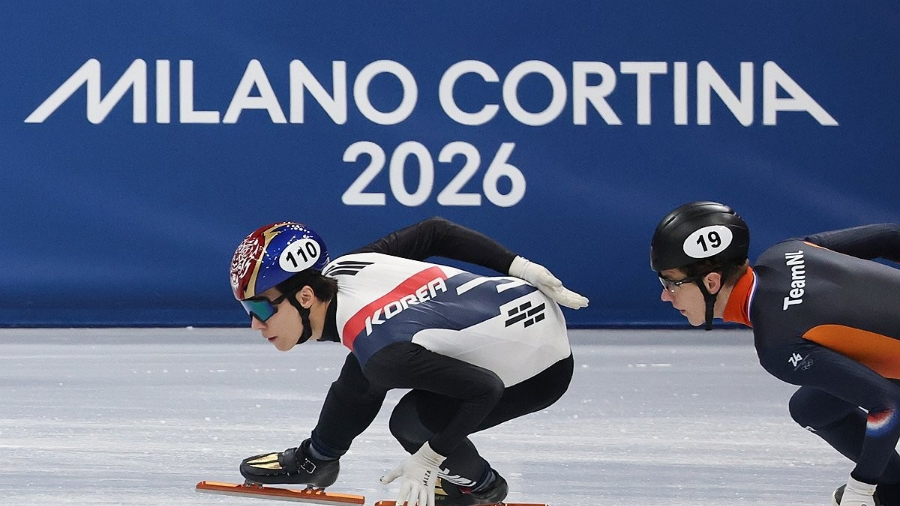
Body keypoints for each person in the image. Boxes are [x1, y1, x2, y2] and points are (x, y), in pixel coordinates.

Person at [228, 216, 588, 506]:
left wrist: (431, 456)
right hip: (526, 307)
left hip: (543, 368)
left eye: (260, 307)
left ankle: (482, 487)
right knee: (365, 364)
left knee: (412, 424)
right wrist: (520, 268)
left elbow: (485, 390)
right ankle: (319, 459)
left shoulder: (384, 351)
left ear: (306, 296)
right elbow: (435, 231)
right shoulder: (345, 268)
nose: (255, 323)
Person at [650, 201, 900, 506]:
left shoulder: (779, 344)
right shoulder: (788, 252)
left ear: (711, 282)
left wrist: (862, 487)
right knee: (811, 409)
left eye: (669, 283)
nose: (665, 295)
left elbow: (888, 406)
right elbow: (890, 235)